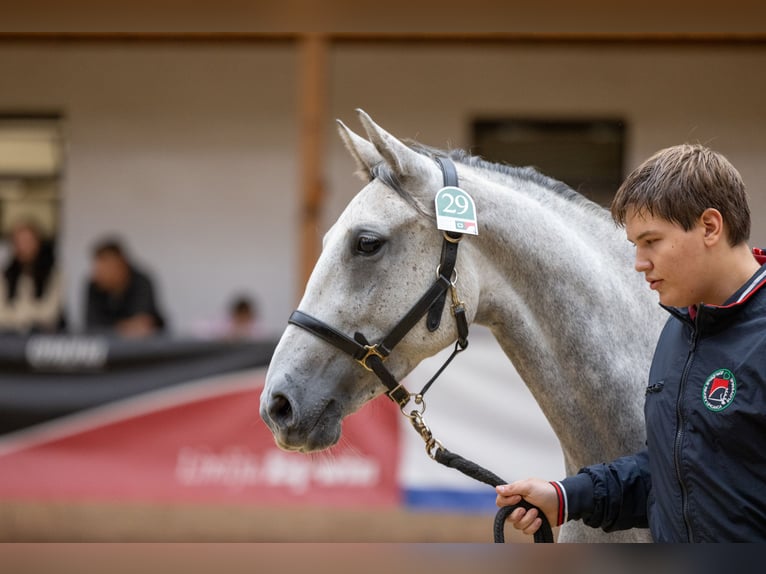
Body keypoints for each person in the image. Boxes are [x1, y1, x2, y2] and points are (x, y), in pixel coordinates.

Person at [496, 144, 766, 542]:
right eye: (636, 245)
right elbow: (675, 477)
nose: (639, 262)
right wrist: (567, 496)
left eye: (651, 241)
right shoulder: (679, 331)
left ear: (710, 226)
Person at [84, 238, 166, 338]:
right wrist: (121, 328)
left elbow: (141, 324)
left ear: (120, 265)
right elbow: (92, 325)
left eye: (105, 268)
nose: (98, 273)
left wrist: (117, 327)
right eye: (98, 268)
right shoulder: (94, 285)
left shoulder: (141, 282)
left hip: (142, 348)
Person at [0, 219, 65, 334]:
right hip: (10, 338)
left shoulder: (52, 273)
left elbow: (50, 314)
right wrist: (29, 315)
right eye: (19, 242)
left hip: (45, 338)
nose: (24, 246)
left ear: (38, 242)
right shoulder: (5, 274)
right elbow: (1, 314)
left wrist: (20, 312)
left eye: (28, 241)